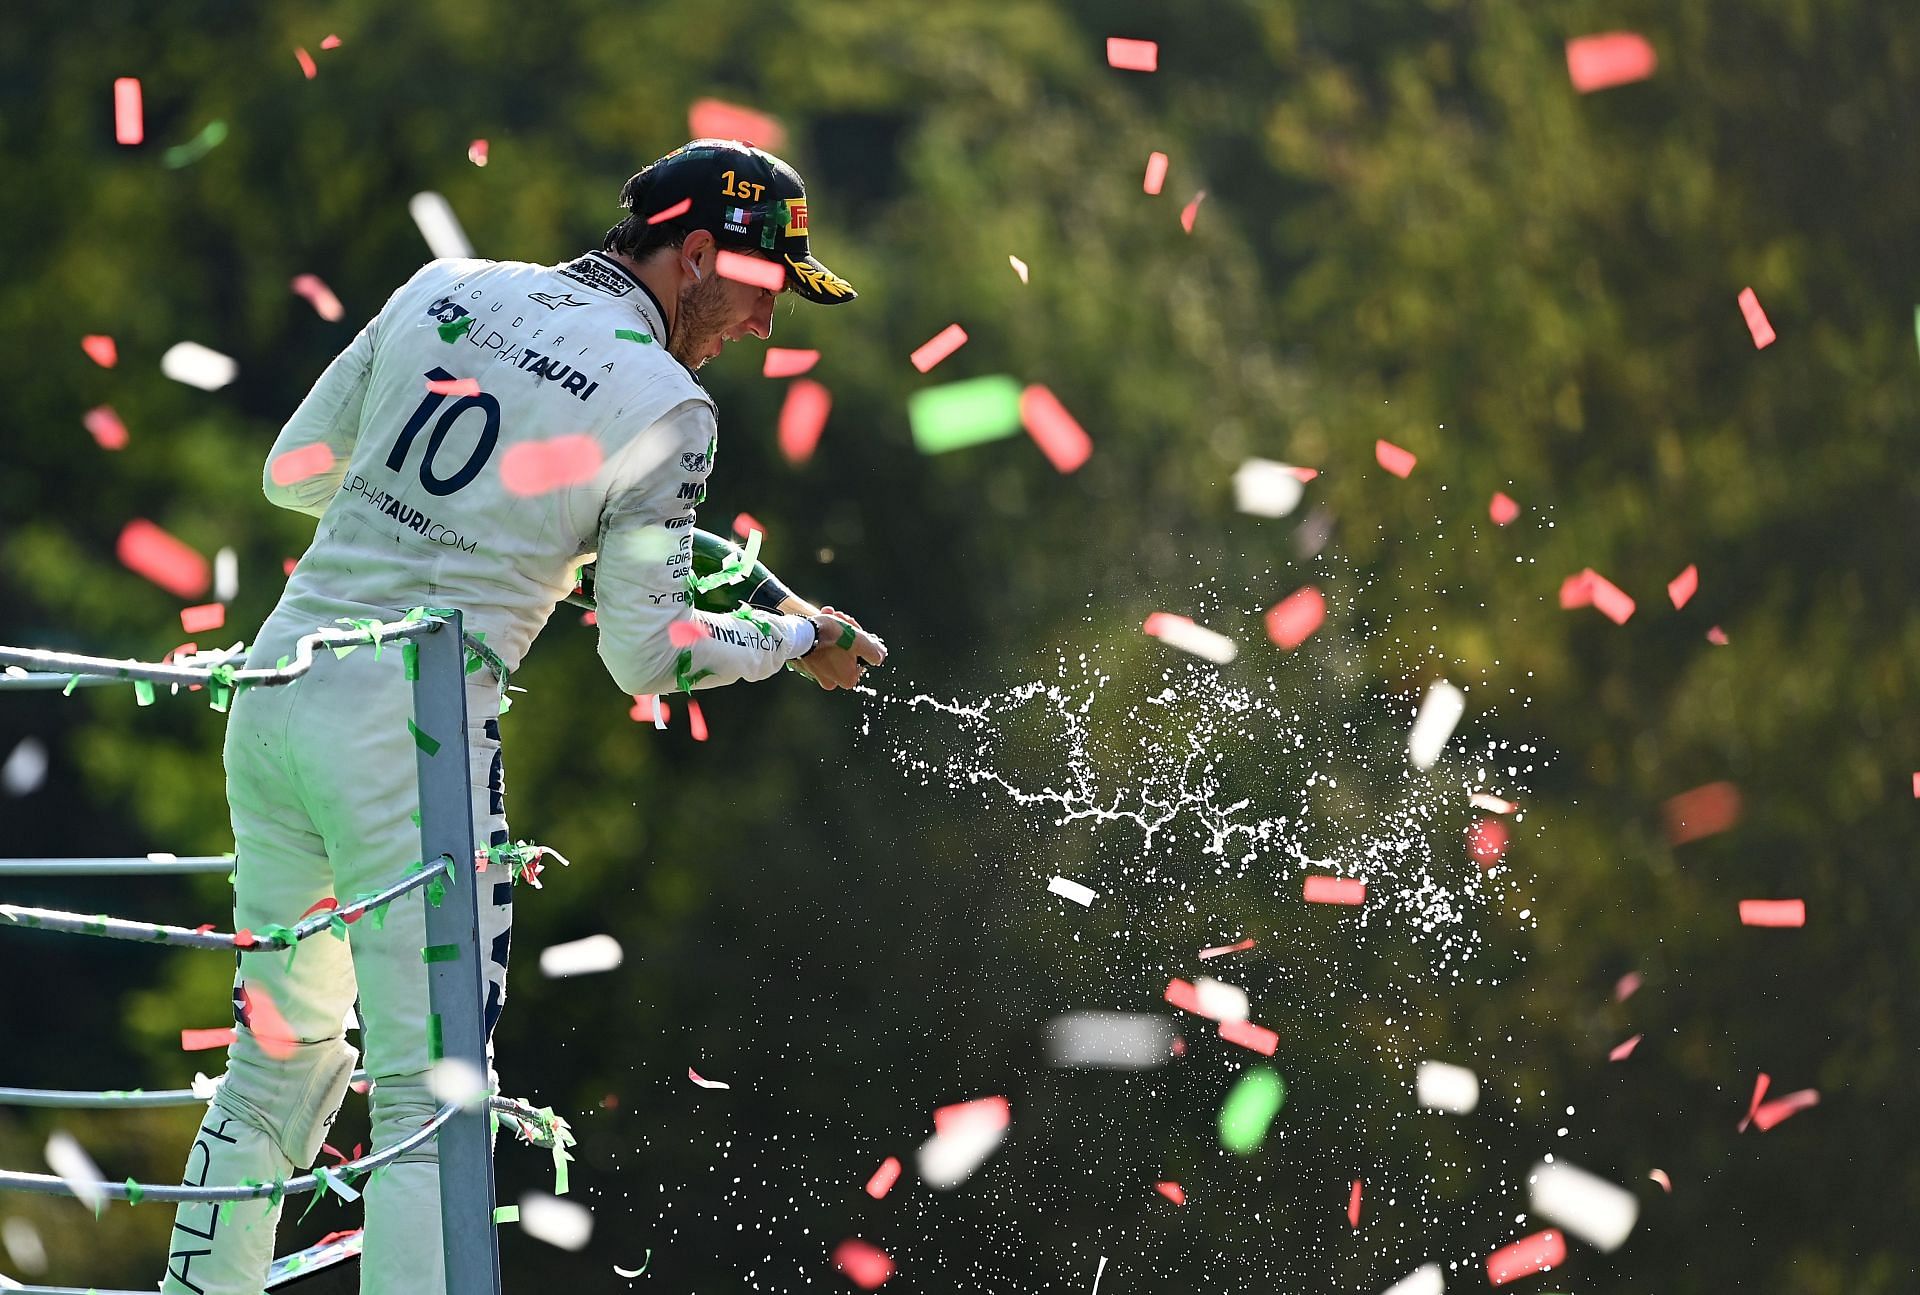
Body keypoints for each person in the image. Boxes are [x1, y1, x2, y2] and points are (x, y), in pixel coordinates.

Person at [161, 139, 885, 1295]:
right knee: (429, 1089)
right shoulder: (670, 403)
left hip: (277, 689)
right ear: (695, 255)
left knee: (271, 1064)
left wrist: (506, 535)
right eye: (761, 289)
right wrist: (797, 638)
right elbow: (648, 658)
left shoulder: (445, 286)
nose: (765, 326)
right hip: (410, 736)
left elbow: (294, 472)